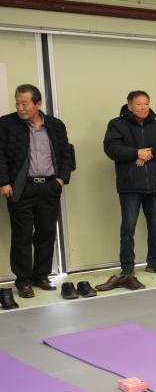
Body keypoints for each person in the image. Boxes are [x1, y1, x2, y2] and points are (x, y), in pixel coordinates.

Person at [0, 84, 75, 300]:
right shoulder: (6, 124)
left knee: (46, 233)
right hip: (20, 188)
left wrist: (61, 179)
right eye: (17, 103)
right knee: (22, 236)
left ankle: (41, 275)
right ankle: (23, 280)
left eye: (25, 103)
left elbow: (65, 154)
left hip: (49, 186)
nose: (20, 107)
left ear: (38, 103)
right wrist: (3, 182)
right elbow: (1, 156)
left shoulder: (55, 125)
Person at [101, 90, 156, 291]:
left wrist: (147, 154)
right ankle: (128, 267)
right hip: (130, 185)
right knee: (128, 227)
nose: (144, 107)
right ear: (129, 106)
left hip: (154, 185)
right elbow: (111, 149)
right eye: (139, 104)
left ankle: (155, 262)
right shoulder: (117, 125)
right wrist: (134, 154)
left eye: (146, 103)